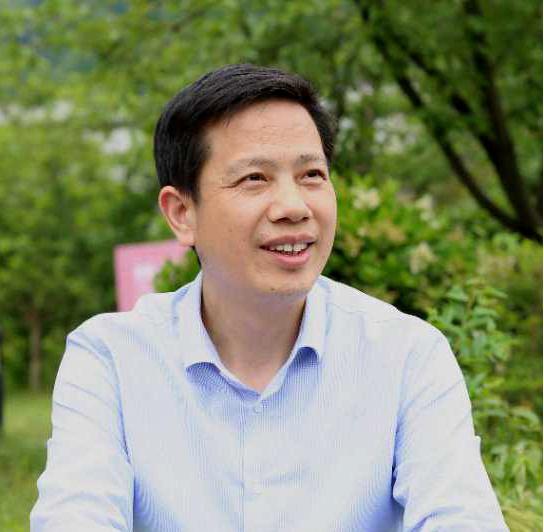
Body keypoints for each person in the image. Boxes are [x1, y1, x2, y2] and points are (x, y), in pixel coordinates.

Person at [31, 64, 508, 531]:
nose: (294, 207)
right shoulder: (110, 359)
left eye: (312, 175)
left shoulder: (407, 355)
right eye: (254, 179)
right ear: (181, 213)